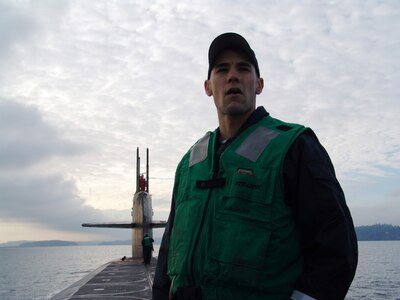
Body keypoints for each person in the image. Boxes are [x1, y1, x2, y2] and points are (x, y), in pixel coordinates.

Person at [153, 32, 358, 300]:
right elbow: (168, 252)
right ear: (208, 87)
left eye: (243, 69)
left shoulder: (295, 147)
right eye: (222, 69)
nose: (233, 76)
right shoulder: (189, 164)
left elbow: (336, 246)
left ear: (259, 84)